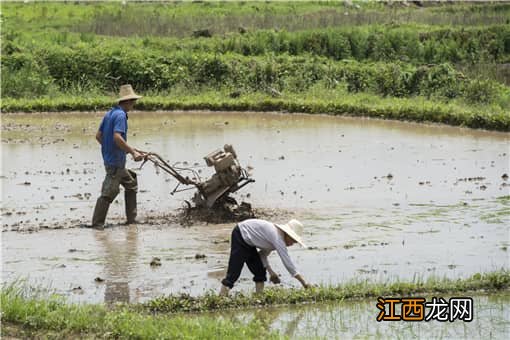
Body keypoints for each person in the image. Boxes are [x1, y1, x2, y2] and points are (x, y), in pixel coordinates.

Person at [91, 84, 144, 229]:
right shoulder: (121, 115)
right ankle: (97, 225)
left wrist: (114, 149)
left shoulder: (110, 113)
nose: (134, 104)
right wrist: (132, 152)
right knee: (108, 193)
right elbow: (117, 137)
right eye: (133, 101)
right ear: (127, 101)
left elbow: (99, 136)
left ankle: (131, 220)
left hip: (113, 160)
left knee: (131, 183)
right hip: (115, 163)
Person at [220, 218, 310, 296]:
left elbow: (262, 255)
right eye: (292, 241)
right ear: (288, 234)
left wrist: (271, 273)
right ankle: (221, 297)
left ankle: (259, 299)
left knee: (260, 272)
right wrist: (304, 283)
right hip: (241, 233)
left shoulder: (275, 239)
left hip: (250, 242)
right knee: (234, 271)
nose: (291, 244)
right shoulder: (278, 238)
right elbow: (288, 263)